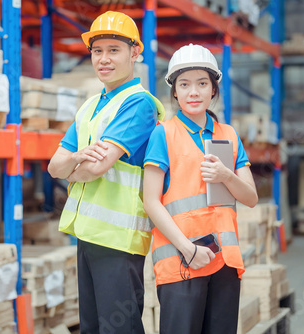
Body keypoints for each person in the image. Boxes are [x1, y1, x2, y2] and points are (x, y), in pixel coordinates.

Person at [48, 11, 164, 334]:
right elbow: (52, 166)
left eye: (114, 49)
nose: (104, 59)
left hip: (119, 239)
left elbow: (96, 167)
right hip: (88, 235)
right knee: (92, 329)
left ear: (134, 53)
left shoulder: (138, 104)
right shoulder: (90, 107)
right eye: (97, 51)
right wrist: (77, 159)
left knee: (118, 330)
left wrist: (74, 164)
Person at [142, 44, 259, 334]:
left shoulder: (228, 135)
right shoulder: (163, 133)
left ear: (213, 90)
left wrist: (226, 176)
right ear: (175, 91)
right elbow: (150, 201)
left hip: (224, 263)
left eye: (202, 83)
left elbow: (251, 198)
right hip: (182, 264)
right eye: (184, 84)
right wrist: (188, 249)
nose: (193, 92)